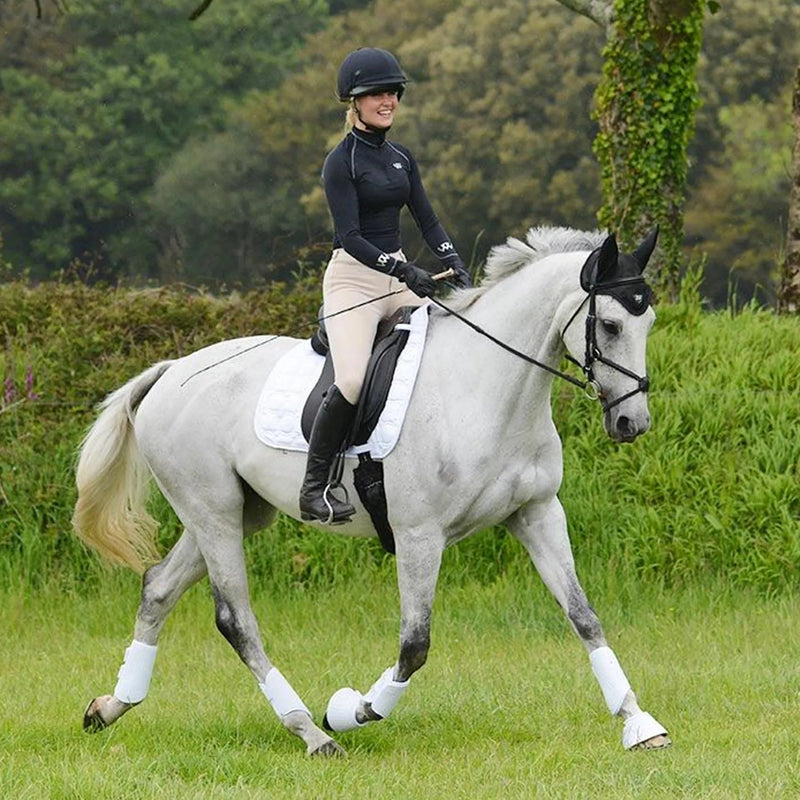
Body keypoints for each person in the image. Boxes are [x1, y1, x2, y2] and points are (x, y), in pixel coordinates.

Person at [298, 46, 471, 525]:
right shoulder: (341, 163)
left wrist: (451, 259)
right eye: (376, 93)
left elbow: (427, 218)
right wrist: (402, 272)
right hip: (354, 280)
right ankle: (315, 488)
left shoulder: (401, 157)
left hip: (396, 274)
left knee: (452, 340)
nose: (387, 100)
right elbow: (350, 237)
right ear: (353, 103)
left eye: (392, 91)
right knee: (351, 379)